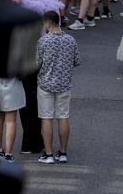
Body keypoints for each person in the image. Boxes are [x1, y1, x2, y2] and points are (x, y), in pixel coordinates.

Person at [35, 10, 80, 164]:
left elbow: (36, 63)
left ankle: (48, 155)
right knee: (63, 117)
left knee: (46, 118)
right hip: (64, 84)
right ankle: (63, 152)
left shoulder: (43, 41)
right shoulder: (70, 40)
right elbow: (76, 61)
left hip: (45, 84)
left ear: (47, 23)